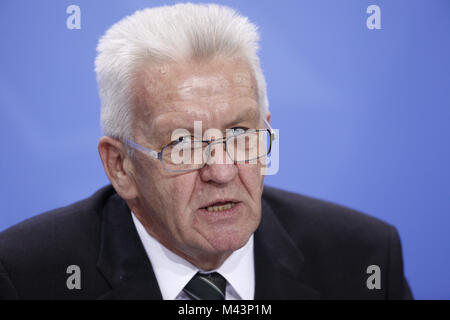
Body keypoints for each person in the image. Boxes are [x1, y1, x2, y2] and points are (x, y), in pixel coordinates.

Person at [0, 3, 412, 299]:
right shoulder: (26, 275)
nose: (222, 170)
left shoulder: (363, 258)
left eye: (239, 134)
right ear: (120, 166)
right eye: (183, 143)